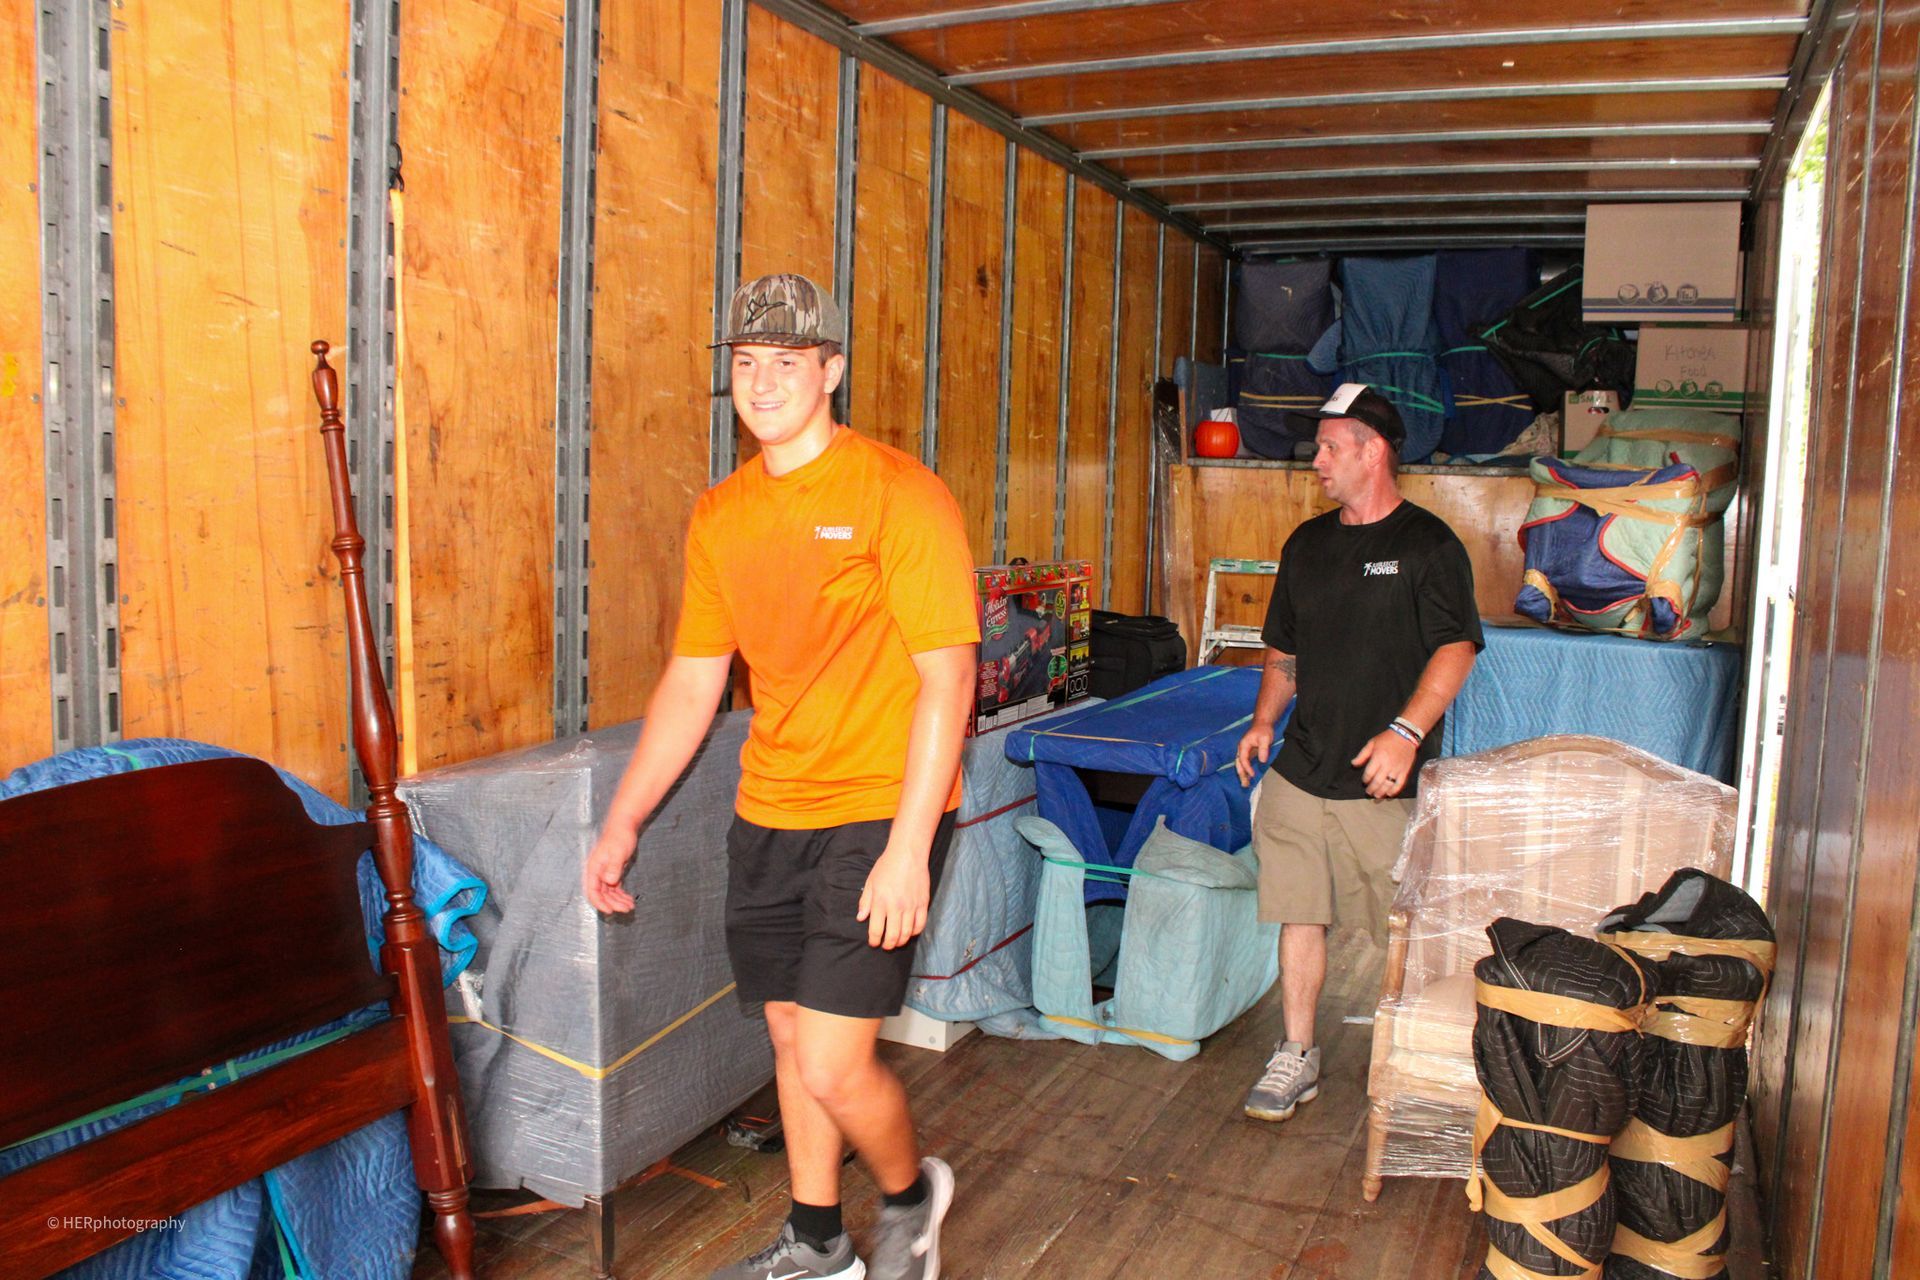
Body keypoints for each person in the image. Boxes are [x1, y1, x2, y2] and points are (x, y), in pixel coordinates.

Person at [582, 273, 979, 1280]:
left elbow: (949, 681)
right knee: (795, 1043)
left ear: (831, 369)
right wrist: (623, 818)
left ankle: (908, 1198)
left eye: (787, 362)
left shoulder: (899, 493)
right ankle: (819, 1239)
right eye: (746, 364)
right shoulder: (721, 514)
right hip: (770, 810)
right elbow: (694, 677)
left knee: (839, 1061)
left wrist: (907, 847)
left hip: (877, 810)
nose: (762, 383)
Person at [1232, 383, 1483, 1124]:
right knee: (1298, 913)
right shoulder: (1306, 545)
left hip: (1384, 781)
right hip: (1303, 769)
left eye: (1331, 448)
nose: (1318, 463)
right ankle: (1297, 1053)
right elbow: (1287, 647)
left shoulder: (1429, 546)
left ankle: (1423, 1065)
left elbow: (1457, 648)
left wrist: (1405, 734)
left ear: (1373, 452)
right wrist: (1261, 722)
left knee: (1403, 931)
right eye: (1319, 449)